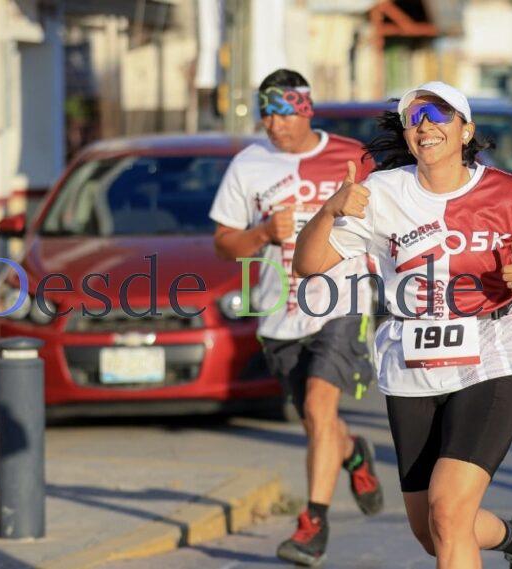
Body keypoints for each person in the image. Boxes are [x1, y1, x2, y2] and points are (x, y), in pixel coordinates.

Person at [294, 80, 512, 569]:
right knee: (433, 532)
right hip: (411, 366)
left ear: (466, 130)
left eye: (439, 115)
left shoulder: (507, 194)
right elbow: (309, 263)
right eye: (415, 118)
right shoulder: (380, 193)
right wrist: (329, 210)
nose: (425, 125)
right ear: (407, 135)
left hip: (490, 359)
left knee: (448, 512)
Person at [209, 69, 383, 567]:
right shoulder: (248, 165)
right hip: (278, 313)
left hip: (343, 301)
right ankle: (352, 454)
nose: (273, 124)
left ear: (305, 109)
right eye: (265, 113)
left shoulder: (353, 156)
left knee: (318, 406)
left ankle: (313, 525)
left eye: (283, 113)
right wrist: (263, 232)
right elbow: (224, 245)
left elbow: (390, 218)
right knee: (316, 421)